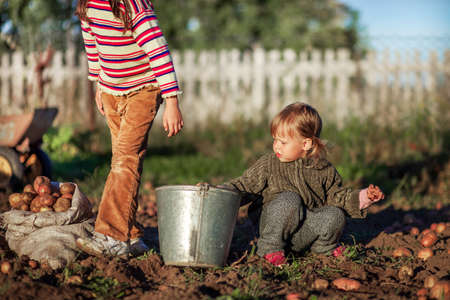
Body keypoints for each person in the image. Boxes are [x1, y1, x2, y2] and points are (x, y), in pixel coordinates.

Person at [75, 0, 183, 258]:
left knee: (125, 160)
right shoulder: (87, 5)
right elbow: (92, 43)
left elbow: (158, 50)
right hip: (111, 90)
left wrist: (171, 101)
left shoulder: (133, 5)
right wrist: (98, 84)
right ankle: (131, 234)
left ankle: (111, 235)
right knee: (124, 162)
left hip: (144, 89)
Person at [222, 102, 384, 266]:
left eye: (283, 142)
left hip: (303, 232)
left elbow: (339, 197)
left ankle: (323, 249)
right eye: (275, 140)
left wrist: (364, 197)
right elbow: (245, 185)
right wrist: (221, 192)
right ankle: (270, 250)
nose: (276, 146)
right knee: (289, 199)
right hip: (272, 229)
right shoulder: (268, 164)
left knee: (335, 214)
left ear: (305, 144)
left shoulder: (323, 170)